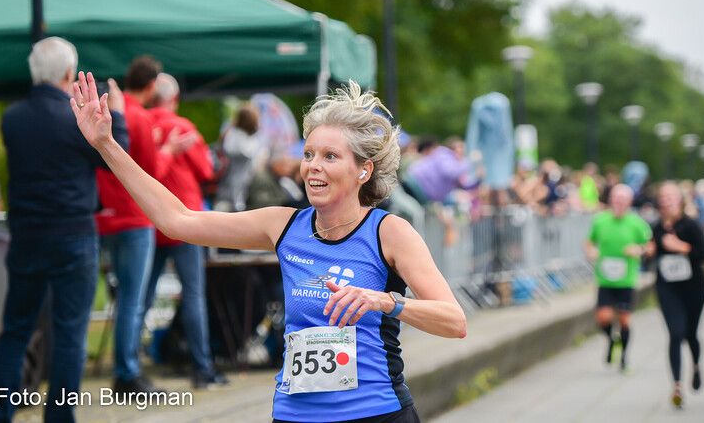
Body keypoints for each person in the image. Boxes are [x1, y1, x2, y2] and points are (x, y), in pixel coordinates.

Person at [71, 75, 466, 422]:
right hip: (295, 415)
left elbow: (454, 321)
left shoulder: (389, 232)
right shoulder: (284, 225)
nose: (313, 166)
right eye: (308, 154)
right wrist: (107, 145)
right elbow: (177, 221)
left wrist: (385, 302)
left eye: (330, 156)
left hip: (376, 413)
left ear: (363, 170)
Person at [0, 37, 129, 422]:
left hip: (27, 236)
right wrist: (119, 113)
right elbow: (118, 155)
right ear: (70, 74)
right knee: (70, 335)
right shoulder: (75, 119)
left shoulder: (12, 118)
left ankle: (0, 412)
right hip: (74, 235)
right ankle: (59, 417)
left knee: (15, 330)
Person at [95, 56, 194, 395]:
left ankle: (124, 365)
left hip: (105, 217)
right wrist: (167, 150)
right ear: (152, 86)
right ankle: (127, 371)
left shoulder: (107, 112)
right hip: (135, 218)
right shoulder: (139, 118)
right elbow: (152, 174)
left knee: (121, 297)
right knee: (132, 300)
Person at [142, 73, 226, 388]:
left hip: (151, 219)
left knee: (141, 296)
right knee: (193, 295)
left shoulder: (142, 125)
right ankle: (202, 370)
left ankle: (130, 367)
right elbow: (206, 170)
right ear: (174, 99)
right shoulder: (184, 128)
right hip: (187, 220)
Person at [645, 181, 704, 409]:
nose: (667, 201)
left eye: (671, 196)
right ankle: (677, 386)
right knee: (675, 333)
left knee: (690, 334)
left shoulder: (690, 226)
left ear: (680, 200)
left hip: (693, 287)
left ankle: (697, 365)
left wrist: (682, 247)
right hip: (667, 287)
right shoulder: (655, 227)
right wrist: (648, 252)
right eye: (663, 197)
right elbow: (649, 256)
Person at [585, 184, 651, 372]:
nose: (619, 203)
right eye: (616, 199)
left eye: (623, 200)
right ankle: (612, 340)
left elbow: (650, 245)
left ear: (629, 202)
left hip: (626, 279)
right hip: (605, 279)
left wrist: (638, 249)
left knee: (624, 320)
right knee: (603, 318)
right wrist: (591, 251)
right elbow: (589, 242)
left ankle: (624, 358)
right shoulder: (600, 220)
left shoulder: (637, 223)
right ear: (610, 200)